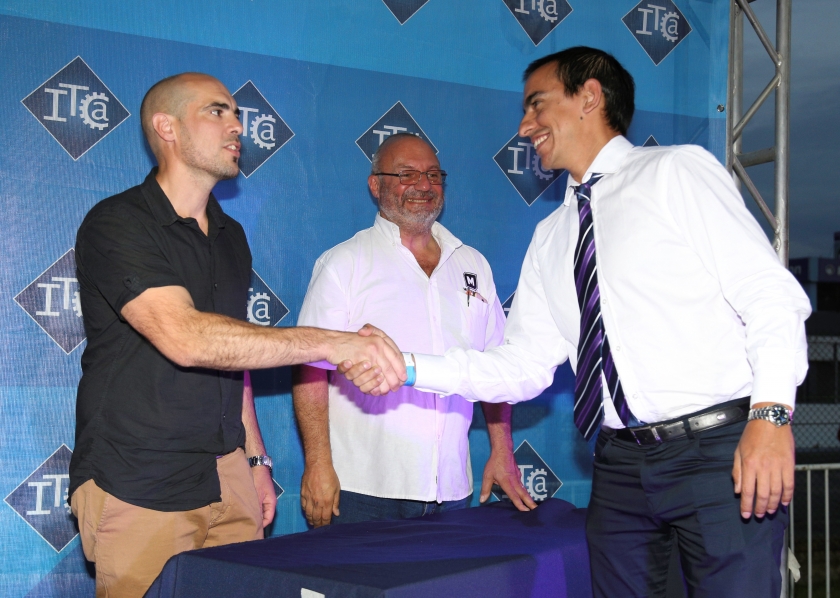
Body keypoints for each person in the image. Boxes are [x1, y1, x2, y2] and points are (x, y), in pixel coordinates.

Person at [342, 47, 811, 596]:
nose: (524, 126)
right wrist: (407, 367)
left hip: (717, 454)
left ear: (589, 97)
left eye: (537, 105)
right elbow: (522, 366)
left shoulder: (676, 172)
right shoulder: (552, 236)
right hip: (619, 467)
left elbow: (770, 296)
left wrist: (770, 417)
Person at [69, 72, 405, 598]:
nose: (237, 126)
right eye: (217, 111)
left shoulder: (231, 236)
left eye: (237, 114)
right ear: (167, 127)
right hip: (139, 479)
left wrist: (255, 460)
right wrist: (334, 343)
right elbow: (188, 339)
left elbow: (231, 353)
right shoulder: (117, 222)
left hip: (229, 478)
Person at [292, 133, 536, 527]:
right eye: (407, 174)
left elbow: (495, 366)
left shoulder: (473, 264)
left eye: (433, 175)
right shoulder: (344, 264)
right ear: (376, 185)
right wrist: (318, 464)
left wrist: (502, 451)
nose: (423, 185)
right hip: (363, 490)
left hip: (453, 491)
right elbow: (309, 369)